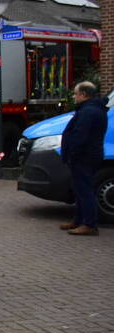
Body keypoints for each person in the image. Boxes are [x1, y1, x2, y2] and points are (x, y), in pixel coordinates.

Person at [60, 81, 108, 236]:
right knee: (79, 189)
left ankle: (89, 224)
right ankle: (79, 219)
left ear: (84, 95)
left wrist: (72, 153)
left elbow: (80, 136)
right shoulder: (92, 109)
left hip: (84, 157)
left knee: (84, 190)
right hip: (87, 155)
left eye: (76, 93)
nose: (74, 97)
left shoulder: (89, 112)